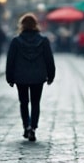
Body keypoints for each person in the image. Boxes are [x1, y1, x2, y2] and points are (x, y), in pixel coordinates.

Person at [6, 12, 56, 142]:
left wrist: (9, 77)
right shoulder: (43, 41)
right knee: (35, 103)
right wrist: (51, 75)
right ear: (35, 25)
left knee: (23, 102)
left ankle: (26, 126)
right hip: (38, 76)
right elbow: (49, 59)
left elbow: (10, 60)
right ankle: (33, 128)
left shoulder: (16, 41)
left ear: (21, 25)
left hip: (20, 76)